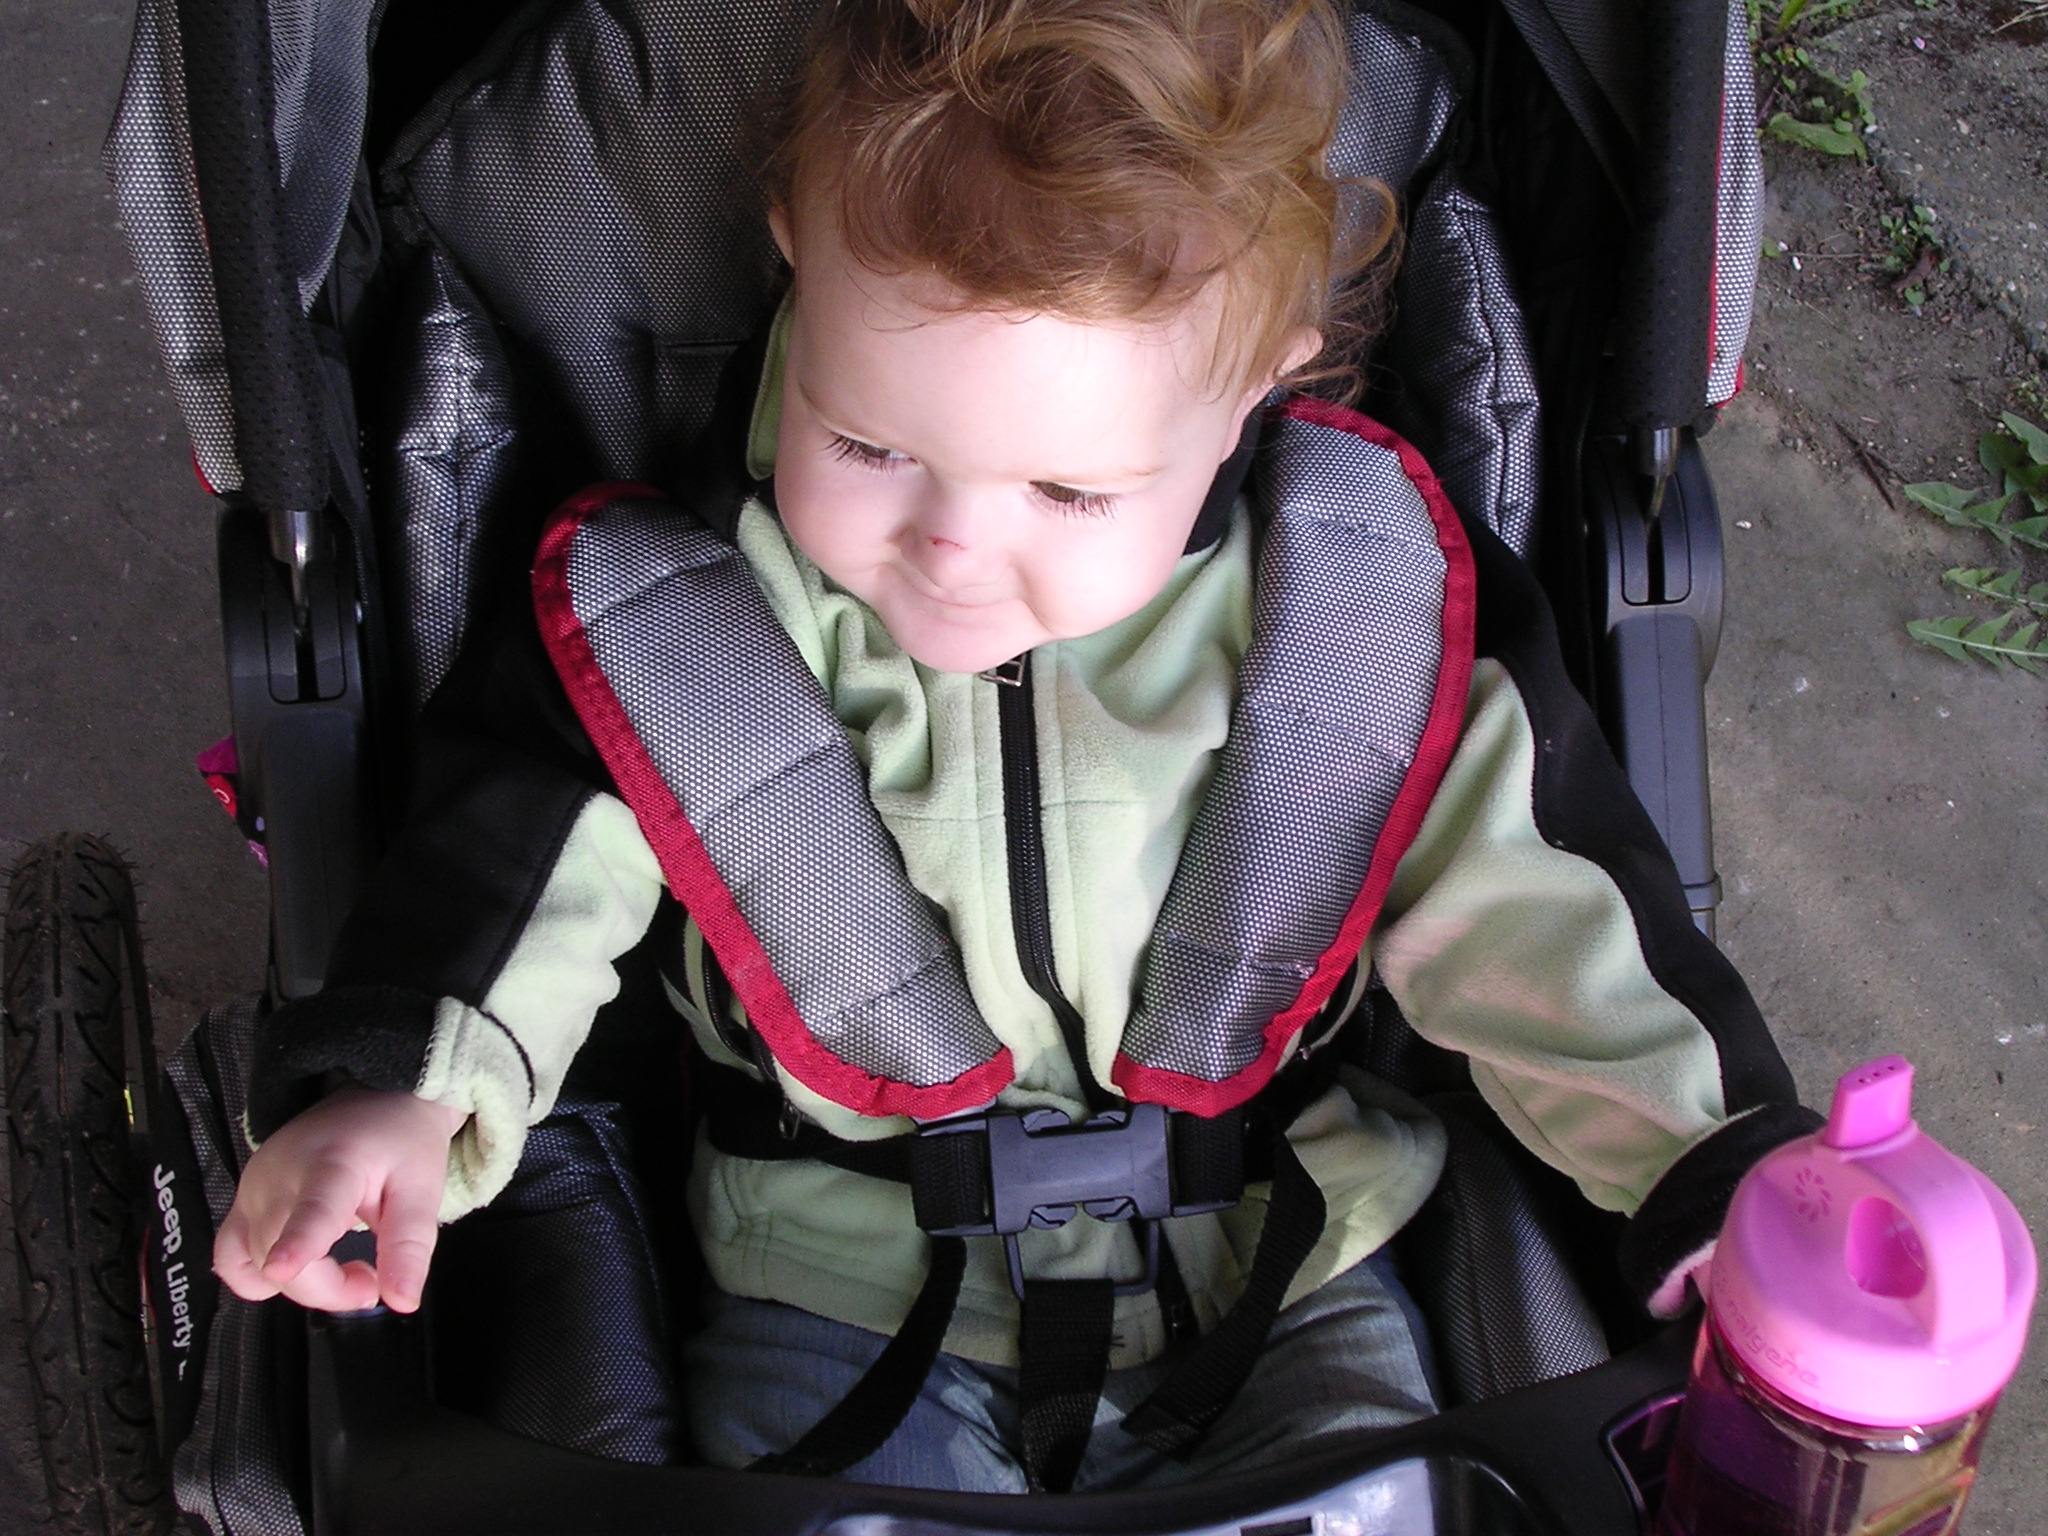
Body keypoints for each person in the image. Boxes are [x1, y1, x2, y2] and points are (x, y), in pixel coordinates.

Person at [213, 0, 1815, 1495]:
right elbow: (518, 881)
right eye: (868, 442)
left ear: (1258, 384)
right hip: (833, 1272)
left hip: (1293, 1254)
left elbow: (1541, 915)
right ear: (793, 264)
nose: (952, 550)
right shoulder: (684, 625)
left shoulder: (1352, 618)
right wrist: (406, 1092)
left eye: (1067, 492)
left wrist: (1724, 1168)